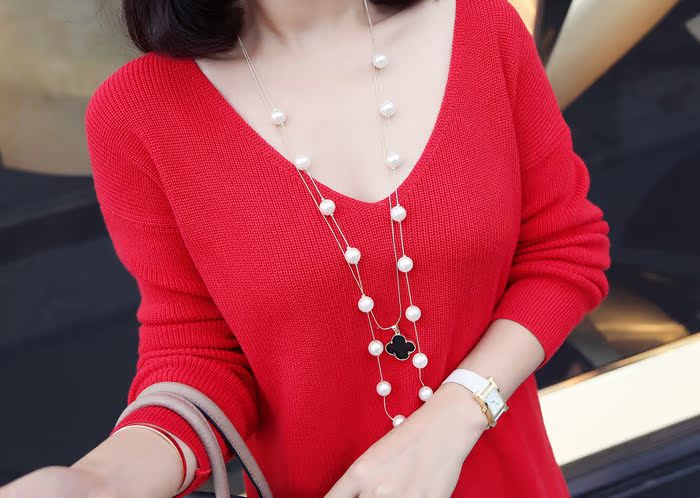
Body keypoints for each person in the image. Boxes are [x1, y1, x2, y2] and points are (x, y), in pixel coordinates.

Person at [0, 0, 611, 497]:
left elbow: (563, 252)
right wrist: (97, 484)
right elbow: (198, 353)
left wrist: (454, 417)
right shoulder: (137, 114)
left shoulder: (482, 25)